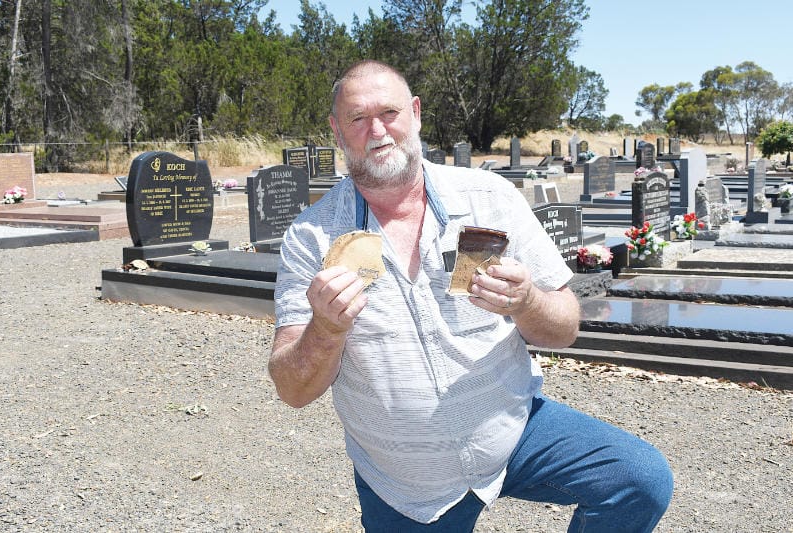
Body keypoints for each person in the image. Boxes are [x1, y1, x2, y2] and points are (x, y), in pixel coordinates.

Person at [269, 59, 673, 532]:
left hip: (512, 428)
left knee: (638, 479)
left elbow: (564, 326)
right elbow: (292, 389)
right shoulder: (312, 237)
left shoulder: (490, 197)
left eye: (390, 113)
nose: (376, 130)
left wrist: (526, 302)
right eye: (358, 119)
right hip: (405, 484)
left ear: (416, 113)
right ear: (337, 131)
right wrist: (327, 327)